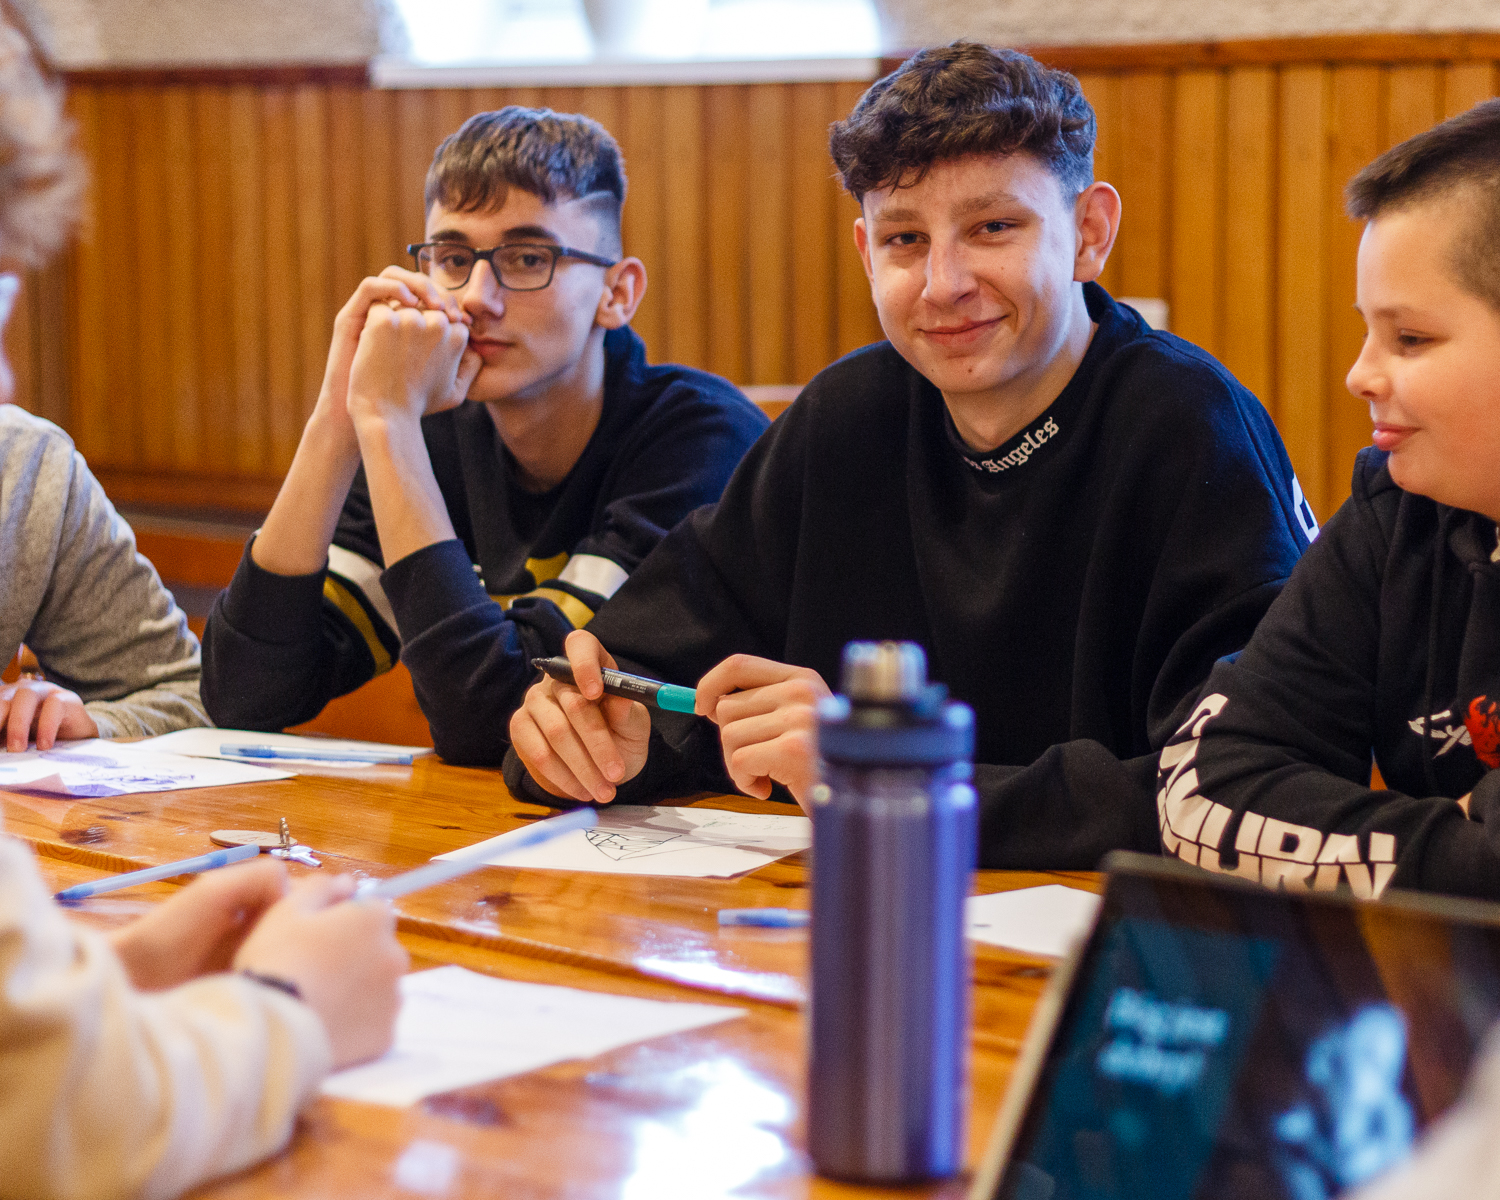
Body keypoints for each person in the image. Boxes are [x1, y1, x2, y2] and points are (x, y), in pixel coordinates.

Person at [506, 43, 1314, 869]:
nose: (943, 283)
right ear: (866, 253)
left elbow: (1253, 785)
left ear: (1089, 233)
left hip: (1109, 933)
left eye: (993, 227)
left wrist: (889, 783)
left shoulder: (1193, 429)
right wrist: (599, 736)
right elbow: (642, 667)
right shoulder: (843, 418)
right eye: (905, 238)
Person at [0, 14, 407, 1198]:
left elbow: (195, 695)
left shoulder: (25, 470)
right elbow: (68, 1127)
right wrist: (289, 1009)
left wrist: (116, 974)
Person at [200, 107, 767, 765]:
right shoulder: (430, 436)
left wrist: (387, 424)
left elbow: (501, 722)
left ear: (617, 293)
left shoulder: (700, 442)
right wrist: (338, 418)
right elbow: (243, 696)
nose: (476, 297)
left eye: (526, 258)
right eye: (452, 258)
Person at [1152, 99, 1500, 903]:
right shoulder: (1398, 510)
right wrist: (1465, 842)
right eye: (1368, 332)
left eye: (1410, 339)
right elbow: (1202, 795)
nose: (1360, 375)